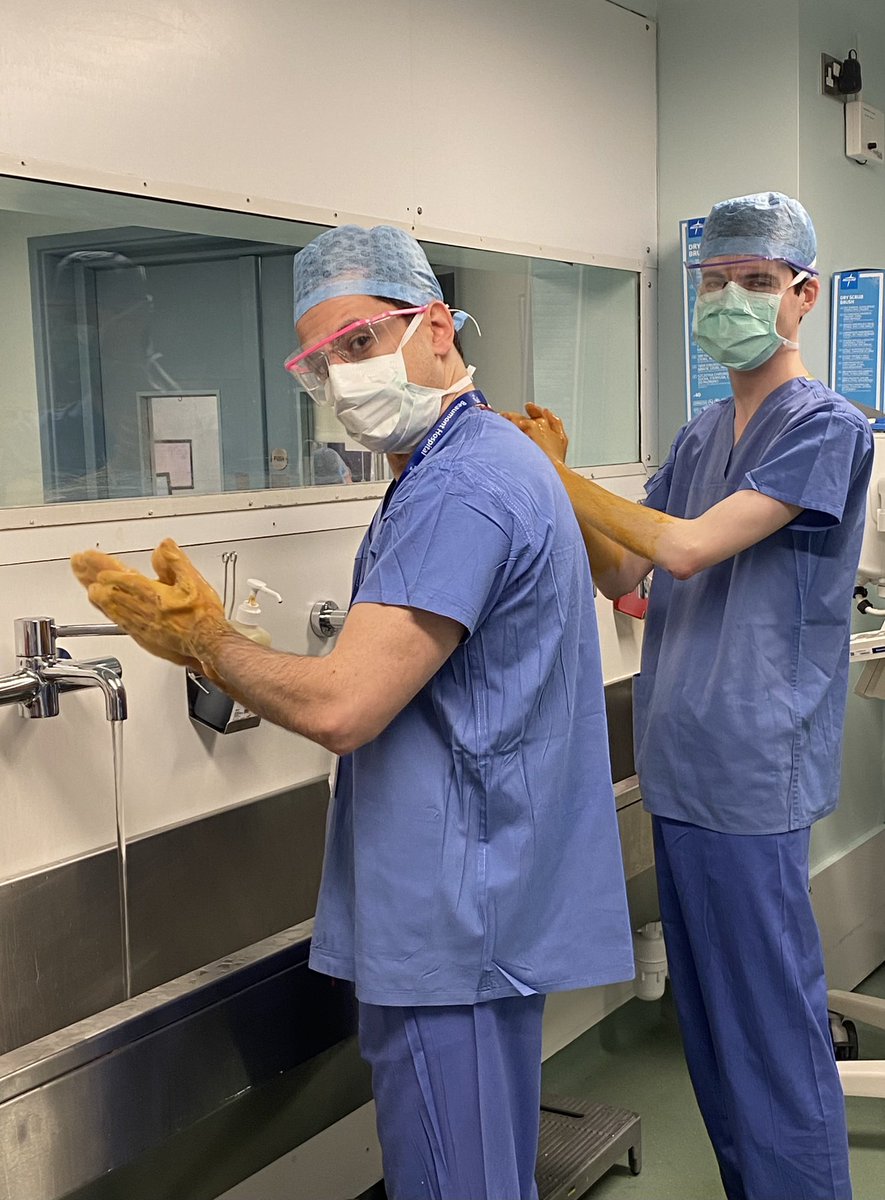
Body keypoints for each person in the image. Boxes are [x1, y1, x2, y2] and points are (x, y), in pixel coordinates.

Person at [71, 224, 634, 1200]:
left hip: (452, 924)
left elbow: (344, 707)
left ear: (437, 332)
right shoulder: (480, 460)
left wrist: (208, 642)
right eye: (322, 361)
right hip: (482, 905)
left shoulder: (462, 488)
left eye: (362, 343)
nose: (343, 378)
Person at [505, 192, 873, 1200]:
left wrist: (555, 477)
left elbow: (688, 544)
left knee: (770, 1038)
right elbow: (627, 575)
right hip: (682, 769)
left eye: (754, 282)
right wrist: (560, 486)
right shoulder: (702, 435)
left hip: (755, 772)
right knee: (711, 1036)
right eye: (713, 282)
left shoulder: (827, 428)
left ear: (801, 296)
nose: (729, 300)